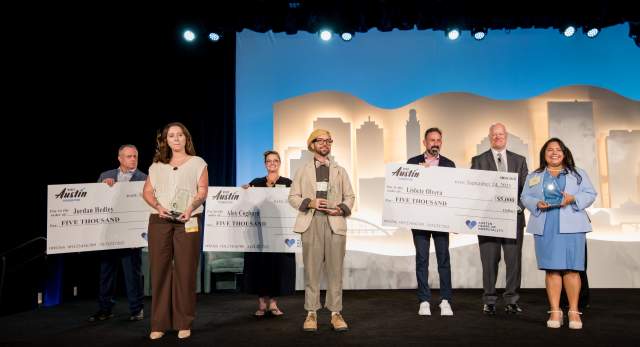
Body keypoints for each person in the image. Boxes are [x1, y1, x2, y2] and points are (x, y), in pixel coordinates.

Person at [521, 138, 596, 329]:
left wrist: (573, 198)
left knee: (572, 269)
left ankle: (573, 311)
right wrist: (536, 203)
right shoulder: (534, 175)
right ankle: (555, 310)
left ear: (564, 152)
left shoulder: (578, 174)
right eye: (549, 150)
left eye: (558, 149)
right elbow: (525, 197)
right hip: (546, 224)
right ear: (544, 154)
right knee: (552, 269)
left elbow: (590, 193)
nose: (554, 152)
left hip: (572, 225)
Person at [142, 122, 208, 340]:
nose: (176, 138)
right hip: (160, 221)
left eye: (180, 135)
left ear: (186, 138)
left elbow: (203, 191)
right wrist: (158, 207)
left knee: (185, 271)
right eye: (171, 135)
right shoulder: (156, 165)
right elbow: (148, 192)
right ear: (166, 140)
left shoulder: (197, 163)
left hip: (188, 221)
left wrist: (191, 207)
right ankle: (158, 324)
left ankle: (183, 322)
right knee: (159, 271)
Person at [288, 129, 355, 332]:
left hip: (334, 223)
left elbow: (350, 197)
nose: (325, 144)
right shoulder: (303, 170)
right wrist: (310, 202)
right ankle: (311, 313)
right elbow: (293, 197)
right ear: (312, 144)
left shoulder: (340, 170)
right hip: (312, 222)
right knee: (312, 271)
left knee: (335, 271)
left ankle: (336, 313)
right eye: (321, 140)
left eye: (329, 141)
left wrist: (340, 209)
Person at [470, 123, 528, 315]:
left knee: (513, 263)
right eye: (494, 135)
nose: (497, 137)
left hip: (513, 220)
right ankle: (489, 300)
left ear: (506, 136)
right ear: (489, 137)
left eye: (500, 134)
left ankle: (511, 300)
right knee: (489, 262)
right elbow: (473, 190)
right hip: (488, 221)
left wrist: (518, 207)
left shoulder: (519, 161)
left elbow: (526, 190)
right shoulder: (478, 161)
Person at [88, 144, 146, 322]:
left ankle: (137, 310)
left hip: (131, 237)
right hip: (109, 234)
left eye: (135, 156)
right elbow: (93, 202)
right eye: (129, 156)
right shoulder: (106, 176)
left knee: (132, 275)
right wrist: (103, 188)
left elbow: (146, 208)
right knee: (106, 274)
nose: (133, 159)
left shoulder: (145, 178)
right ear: (119, 158)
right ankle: (105, 309)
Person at [407, 127, 455, 317]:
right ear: (425, 142)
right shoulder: (412, 163)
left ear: (441, 142)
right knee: (422, 260)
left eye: (438, 140)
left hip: (442, 220)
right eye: (431, 140)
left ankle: (445, 300)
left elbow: (454, 193)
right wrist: (420, 174)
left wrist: (456, 221)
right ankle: (424, 300)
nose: (435, 143)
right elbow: (406, 189)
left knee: (444, 259)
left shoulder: (449, 164)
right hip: (419, 220)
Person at [242, 150, 296, 317]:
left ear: (279, 163)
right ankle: (261, 304)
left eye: (275, 161)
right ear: (265, 164)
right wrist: (244, 190)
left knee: (276, 266)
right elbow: (247, 203)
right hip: (259, 231)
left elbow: (295, 202)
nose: (272, 163)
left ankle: (273, 303)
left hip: (280, 232)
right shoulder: (256, 183)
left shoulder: (288, 183)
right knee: (259, 266)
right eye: (269, 161)